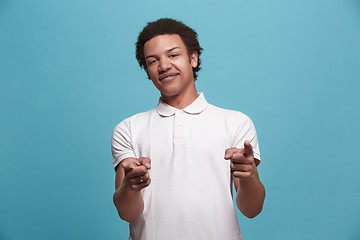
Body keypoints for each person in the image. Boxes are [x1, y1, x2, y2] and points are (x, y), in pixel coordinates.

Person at [111, 18, 265, 240]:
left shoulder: (235, 123)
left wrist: (249, 175)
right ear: (147, 71)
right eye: (153, 61)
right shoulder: (128, 129)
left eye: (173, 55)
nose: (164, 65)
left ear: (193, 58)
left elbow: (252, 209)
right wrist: (131, 187)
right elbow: (126, 213)